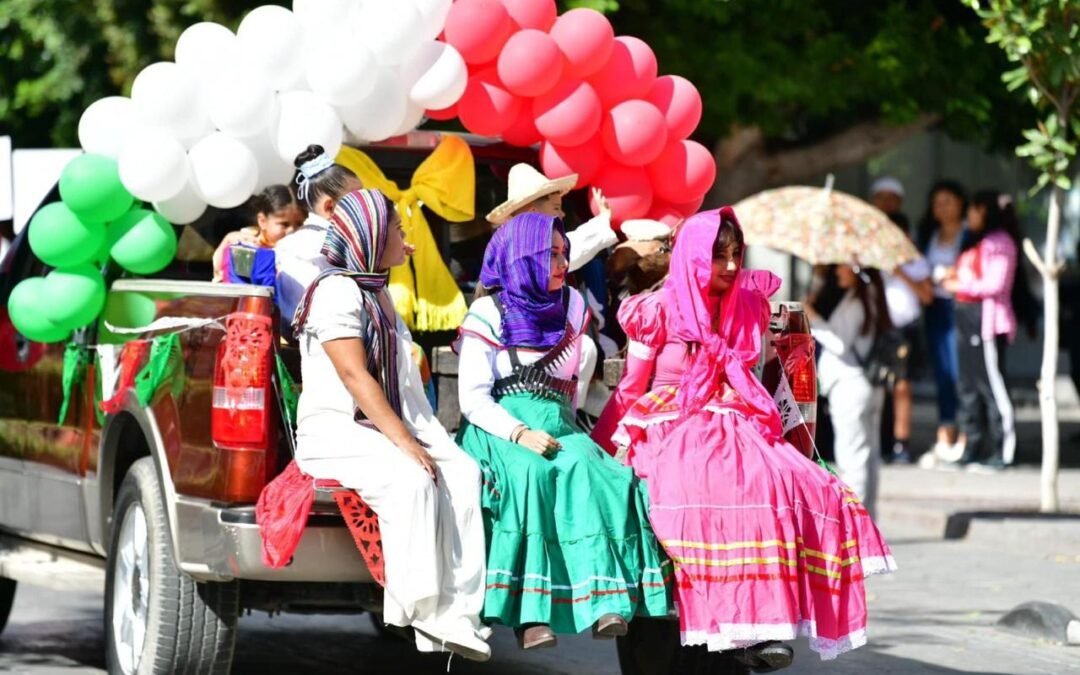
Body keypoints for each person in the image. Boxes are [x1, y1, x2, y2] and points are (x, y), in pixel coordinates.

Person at [594, 209, 895, 666]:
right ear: (694, 256)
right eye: (720, 256)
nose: (732, 265)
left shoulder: (749, 307)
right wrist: (603, 449)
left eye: (737, 254)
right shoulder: (655, 310)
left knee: (783, 481)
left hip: (734, 418)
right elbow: (632, 386)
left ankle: (761, 624)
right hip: (668, 420)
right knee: (696, 479)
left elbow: (756, 378)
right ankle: (725, 616)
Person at [455, 213, 673, 650]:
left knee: (597, 473)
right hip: (498, 427)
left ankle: (606, 600)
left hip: (557, 421)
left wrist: (564, 429)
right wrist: (519, 433)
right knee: (530, 475)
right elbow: (472, 400)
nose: (561, 263)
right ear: (523, 257)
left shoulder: (572, 303)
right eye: (550, 254)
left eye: (562, 253)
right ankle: (529, 616)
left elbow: (572, 381)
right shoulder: (487, 312)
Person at [291, 189, 490, 661]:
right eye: (398, 229)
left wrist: (421, 436)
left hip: (386, 427)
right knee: (413, 480)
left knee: (464, 475)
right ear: (373, 237)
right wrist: (405, 442)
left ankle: (460, 611)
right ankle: (421, 611)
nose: (406, 236)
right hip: (337, 434)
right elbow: (353, 375)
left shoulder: (375, 289)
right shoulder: (336, 291)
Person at [486, 164, 620, 413]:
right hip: (521, 343)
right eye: (556, 208)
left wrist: (602, 221)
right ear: (533, 212)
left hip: (539, 346)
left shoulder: (519, 244)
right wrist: (602, 221)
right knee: (584, 350)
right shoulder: (521, 249)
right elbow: (576, 246)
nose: (563, 214)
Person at [808, 264, 893, 516]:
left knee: (852, 459)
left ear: (856, 269)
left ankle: (856, 523)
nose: (837, 271)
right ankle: (869, 518)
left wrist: (813, 318)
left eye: (843, 266)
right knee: (869, 456)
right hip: (868, 384)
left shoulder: (856, 302)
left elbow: (839, 344)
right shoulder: (872, 297)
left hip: (850, 385)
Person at [942, 190, 1018, 470]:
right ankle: (973, 446)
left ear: (984, 210)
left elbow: (995, 284)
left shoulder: (1000, 242)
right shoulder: (975, 240)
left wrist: (959, 286)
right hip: (966, 319)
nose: (968, 216)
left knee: (992, 387)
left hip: (986, 324)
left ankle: (1003, 450)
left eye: (972, 210)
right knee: (968, 387)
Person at [872, 177, 933, 464]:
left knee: (902, 387)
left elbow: (927, 295)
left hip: (904, 329)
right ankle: (880, 440)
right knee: (878, 387)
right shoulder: (872, 259)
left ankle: (901, 443)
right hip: (878, 328)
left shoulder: (915, 261)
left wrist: (900, 272)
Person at [276, 144, 363, 322]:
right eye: (358, 202)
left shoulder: (288, 244)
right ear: (330, 207)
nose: (365, 208)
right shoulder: (332, 246)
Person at [915, 180, 969, 460]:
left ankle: (968, 434)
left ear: (960, 203)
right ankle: (946, 431)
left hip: (962, 307)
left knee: (963, 371)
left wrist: (953, 275)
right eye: (937, 203)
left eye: (947, 201)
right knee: (943, 371)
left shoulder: (970, 234)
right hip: (935, 307)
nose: (942, 208)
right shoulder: (929, 234)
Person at [212, 184, 306, 283]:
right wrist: (227, 239)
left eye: (299, 224)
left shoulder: (306, 249)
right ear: (262, 221)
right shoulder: (246, 248)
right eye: (284, 224)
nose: (292, 230)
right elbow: (240, 286)